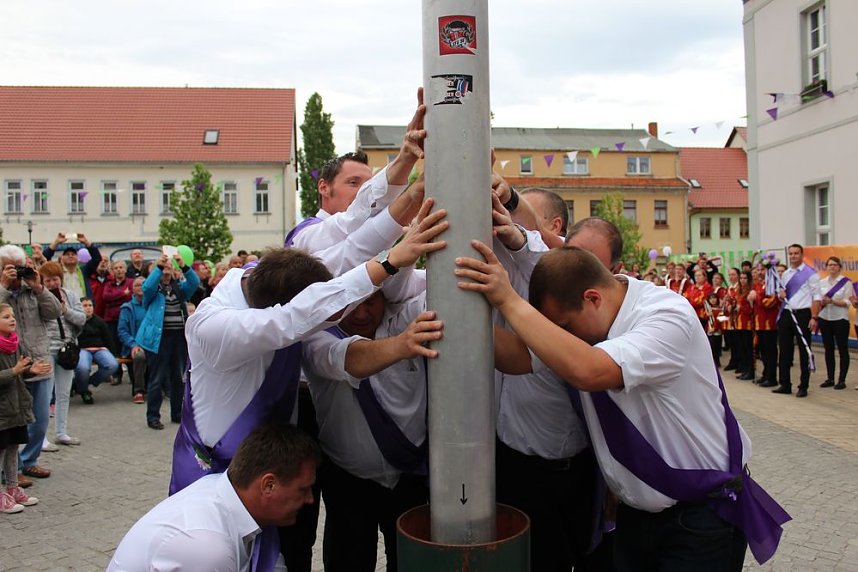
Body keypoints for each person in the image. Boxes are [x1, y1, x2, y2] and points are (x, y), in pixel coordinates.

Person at [455, 244, 790, 570]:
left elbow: (589, 370)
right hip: (636, 517)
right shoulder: (590, 321)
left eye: (565, 327)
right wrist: (456, 312)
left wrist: (507, 299)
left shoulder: (665, 314)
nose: (562, 337)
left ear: (592, 299)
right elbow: (518, 357)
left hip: (699, 517)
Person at [170, 199, 446, 572]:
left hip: (272, 475)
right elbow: (295, 323)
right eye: (337, 306)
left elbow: (347, 243)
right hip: (217, 479)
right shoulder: (217, 326)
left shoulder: (260, 280)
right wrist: (387, 263)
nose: (350, 312)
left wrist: (408, 189)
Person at [302, 290, 439, 572]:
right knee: (347, 562)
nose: (362, 314)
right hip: (347, 481)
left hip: (409, 477)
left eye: (371, 302)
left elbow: (445, 284)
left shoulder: (407, 315)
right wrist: (403, 345)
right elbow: (350, 359)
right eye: (351, 305)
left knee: (411, 563)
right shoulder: (316, 335)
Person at [109, 423, 320, 571]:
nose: (310, 499)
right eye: (303, 489)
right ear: (268, 485)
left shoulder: (229, 495)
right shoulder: (207, 546)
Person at [0, 245, 62, 484]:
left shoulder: (33, 290)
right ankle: (11, 471)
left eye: (18, 266)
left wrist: (38, 286)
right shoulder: (2, 291)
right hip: (10, 365)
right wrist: (5, 286)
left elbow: (55, 312)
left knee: (41, 418)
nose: (16, 273)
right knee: (14, 421)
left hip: (39, 361)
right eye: (9, 267)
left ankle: (30, 461)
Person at [137, 253, 199, 429]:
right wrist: (158, 267)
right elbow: (147, 286)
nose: (166, 272)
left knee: (178, 378)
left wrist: (184, 266)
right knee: (156, 378)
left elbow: (194, 283)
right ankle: (153, 416)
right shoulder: (152, 291)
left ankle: (177, 413)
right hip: (159, 339)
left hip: (178, 337)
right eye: (163, 270)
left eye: (169, 268)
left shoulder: (179, 288)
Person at [0, 304, 50, 513]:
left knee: (13, 449)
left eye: (13, 315)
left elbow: (19, 373)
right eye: (5, 317)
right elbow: (9, 373)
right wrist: (14, 370)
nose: (12, 319)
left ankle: (13, 488)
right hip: (2, 410)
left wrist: (29, 370)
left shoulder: (14, 343)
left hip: (16, 407)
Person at [38, 262, 86, 445]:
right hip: (46, 349)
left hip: (67, 349)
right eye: (48, 280)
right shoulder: (39, 297)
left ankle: (61, 432)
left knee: (64, 393)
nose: (52, 283)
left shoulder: (71, 295)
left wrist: (65, 310)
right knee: (45, 394)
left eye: (55, 279)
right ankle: (41, 437)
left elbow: (82, 319)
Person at [773, 244, 821, 398]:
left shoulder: (810, 273)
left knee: (803, 351)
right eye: (791, 253)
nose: (793, 256)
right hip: (787, 313)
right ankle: (785, 383)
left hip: (803, 314)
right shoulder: (786, 273)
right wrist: (780, 294)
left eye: (796, 253)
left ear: (801, 254)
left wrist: (814, 317)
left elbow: (817, 297)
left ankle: (803, 386)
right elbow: (783, 293)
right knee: (785, 350)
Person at [817, 256, 854, 390]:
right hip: (824, 318)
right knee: (828, 349)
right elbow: (817, 298)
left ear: (839, 267)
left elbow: (848, 302)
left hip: (840, 319)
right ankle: (830, 378)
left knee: (842, 349)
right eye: (829, 265)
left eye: (834, 265)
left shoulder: (845, 282)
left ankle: (841, 380)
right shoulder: (822, 282)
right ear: (826, 267)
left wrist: (832, 302)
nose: (832, 267)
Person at [73, 298, 119, 404]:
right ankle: (84, 391)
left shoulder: (99, 321)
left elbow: (108, 338)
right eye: (85, 306)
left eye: (90, 305)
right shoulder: (75, 321)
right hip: (83, 350)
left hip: (100, 349)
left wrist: (114, 354)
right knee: (83, 368)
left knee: (113, 365)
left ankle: (84, 383)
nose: (88, 308)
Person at [42, 233, 102, 301]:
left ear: (78, 258)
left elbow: (97, 258)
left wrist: (86, 242)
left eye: (73, 254)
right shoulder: (57, 271)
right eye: (67, 254)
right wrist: (56, 242)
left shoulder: (84, 270)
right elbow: (44, 258)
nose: (70, 256)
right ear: (62, 258)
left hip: (82, 305)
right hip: (64, 305)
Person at [118, 277, 148, 404]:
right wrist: (133, 344)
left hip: (152, 343)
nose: (140, 287)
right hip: (135, 345)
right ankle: (139, 391)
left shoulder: (154, 306)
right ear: (132, 289)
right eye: (137, 285)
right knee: (140, 356)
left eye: (143, 284)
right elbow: (122, 331)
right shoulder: (127, 308)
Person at [101, 260, 134, 372]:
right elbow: (106, 298)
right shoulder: (108, 284)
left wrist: (114, 299)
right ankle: (116, 373)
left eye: (121, 267)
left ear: (125, 269)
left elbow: (130, 297)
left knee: (128, 346)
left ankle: (131, 373)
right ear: (113, 271)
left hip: (127, 320)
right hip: (112, 320)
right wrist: (122, 294)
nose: (119, 270)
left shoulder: (131, 282)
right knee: (114, 348)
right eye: (116, 268)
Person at [751, 265, 780, 387]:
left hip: (769, 324)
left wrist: (756, 297)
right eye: (757, 270)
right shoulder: (757, 284)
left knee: (770, 351)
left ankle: (771, 377)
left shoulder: (772, 284)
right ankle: (765, 374)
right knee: (763, 351)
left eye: (762, 270)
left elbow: (770, 302)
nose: (759, 272)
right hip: (759, 323)